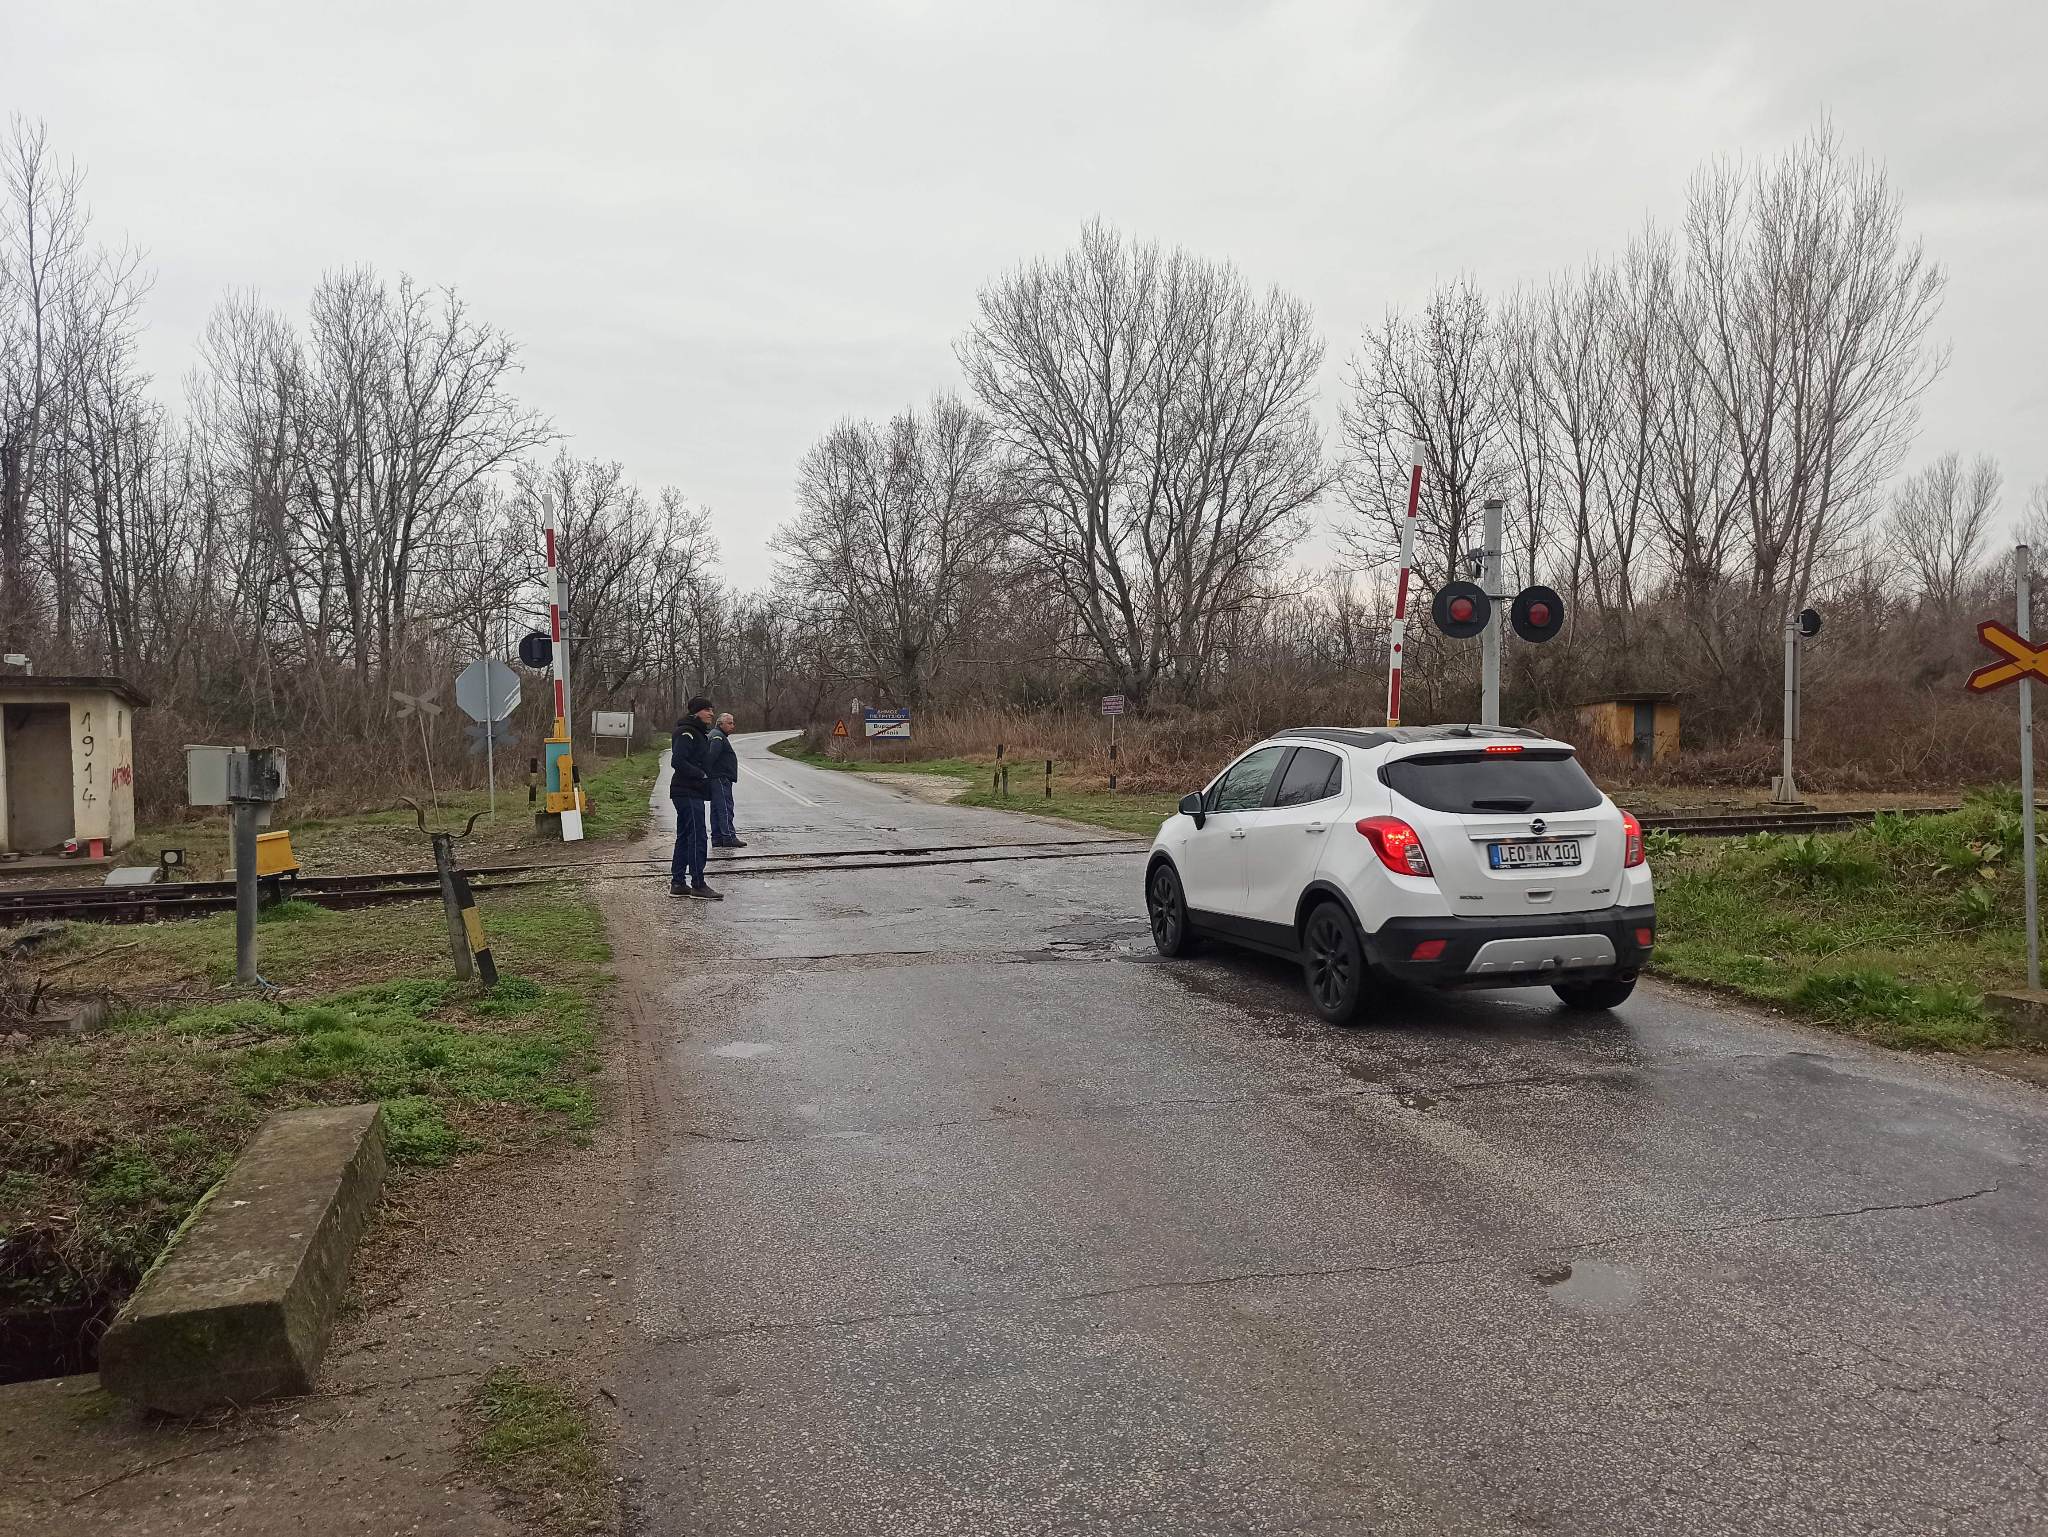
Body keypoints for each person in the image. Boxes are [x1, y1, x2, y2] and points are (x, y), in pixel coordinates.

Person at [668, 697, 723, 901]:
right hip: (687, 791)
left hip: (692, 791)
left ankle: (678, 883)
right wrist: (701, 775)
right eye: (707, 710)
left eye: (712, 710)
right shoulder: (687, 732)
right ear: (696, 712)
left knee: (684, 836)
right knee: (697, 836)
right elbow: (678, 761)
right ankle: (698, 884)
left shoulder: (698, 732)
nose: (711, 714)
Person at [709, 711, 746, 849]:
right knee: (725, 807)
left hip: (717, 777)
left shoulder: (716, 735)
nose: (732, 726)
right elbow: (711, 756)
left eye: (733, 723)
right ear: (720, 724)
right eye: (729, 723)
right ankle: (729, 837)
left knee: (717, 809)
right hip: (720, 778)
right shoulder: (718, 737)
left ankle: (717, 838)